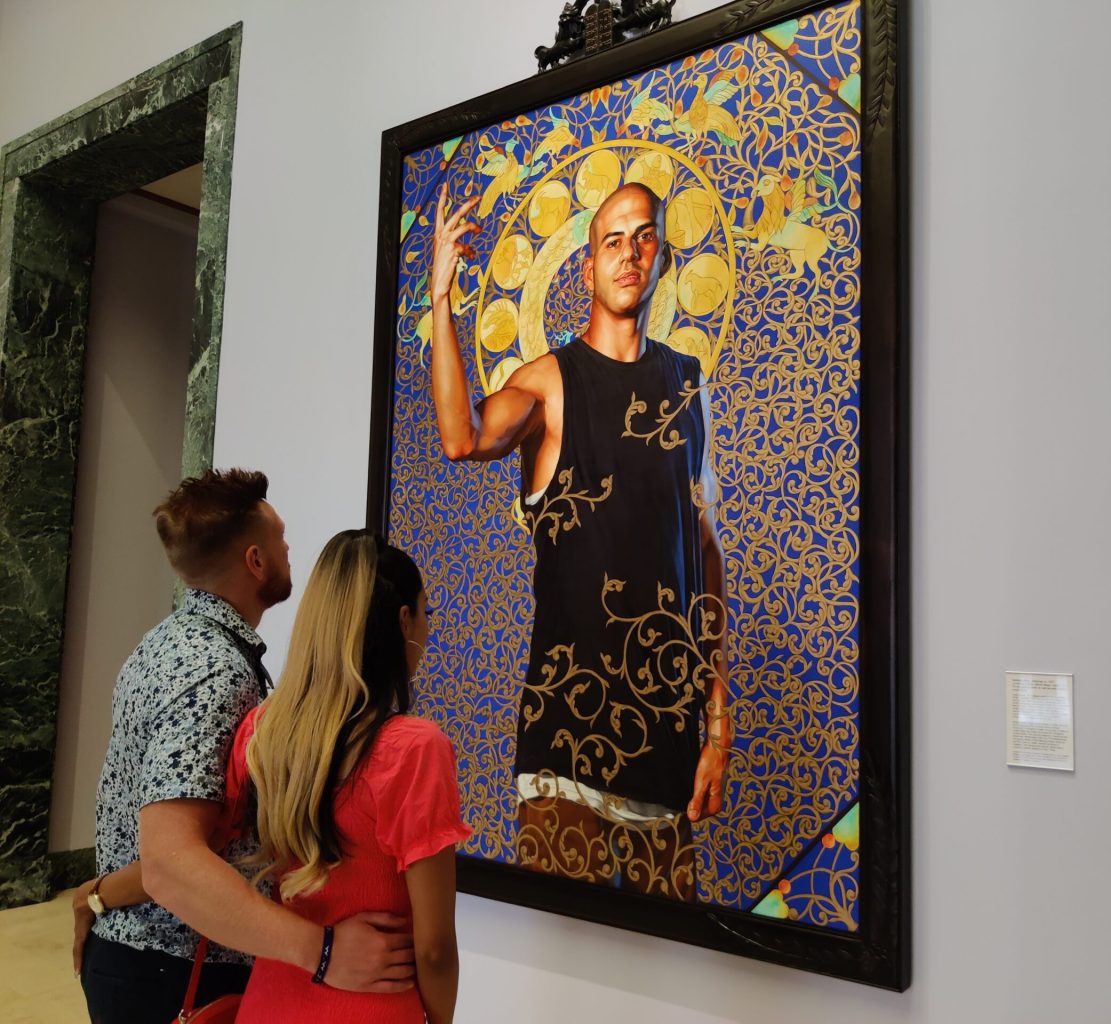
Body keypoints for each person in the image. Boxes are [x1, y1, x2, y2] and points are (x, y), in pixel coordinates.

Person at [428, 178, 731, 899]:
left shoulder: (688, 386)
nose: (629, 253)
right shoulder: (549, 383)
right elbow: (459, 438)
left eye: (644, 236)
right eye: (612, 241)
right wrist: (440, 299)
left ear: (661, 256)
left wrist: (716, 723)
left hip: (665, 743)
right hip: (565, 743)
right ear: (589, 264)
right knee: (562, 969)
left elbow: (702, 551)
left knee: (664, 970)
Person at [73, 470, 416, 1024]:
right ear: (255, 561)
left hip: (147, 956)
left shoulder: (167, 643)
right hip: (174, 969)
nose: (289, 550)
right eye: (281, 539)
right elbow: (171, 861)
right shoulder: (213, 672)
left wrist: (97, 894)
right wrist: (323, 952)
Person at [226, 530, 468, 1023]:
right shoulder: (413, 750)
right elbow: (436, 948)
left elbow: (212, 863)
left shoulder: (262, 731)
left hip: (269, 1001)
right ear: (404, 622)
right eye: (425, 614)